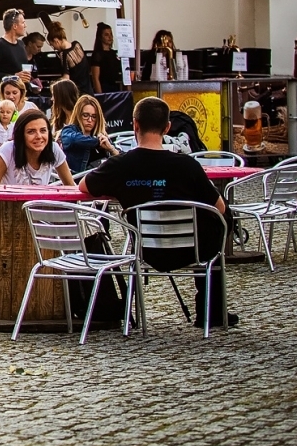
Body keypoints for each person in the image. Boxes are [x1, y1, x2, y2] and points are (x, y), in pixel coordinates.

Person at [83, 96, 234, 327]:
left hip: (146, 249)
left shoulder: (120, 165)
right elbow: (220, 207)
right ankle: (211, 309)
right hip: (192, 249)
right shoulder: (187, 165)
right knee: (221, 220)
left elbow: (83, 186)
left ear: (135, 125)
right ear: (167, 127)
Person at [0, 108, 74, 186]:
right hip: (8, 202)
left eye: (43, 130)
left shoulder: (53, 148)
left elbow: (71, 186)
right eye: (31, 132)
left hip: (41, 202)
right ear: (21, 135)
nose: (39, 136)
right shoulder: (8, 149)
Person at [58, 95, 118, 173]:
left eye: (94, 116)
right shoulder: (68, 130)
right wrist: (98, 142)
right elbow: (74, 140)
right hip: (79, 179)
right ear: (78, 115)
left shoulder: (100, 134)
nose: (90, 120)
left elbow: (122, 159)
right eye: (85, 115)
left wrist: (111, 149)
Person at [0, 8, 32, 83]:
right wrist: (13, 77)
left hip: (21, 91)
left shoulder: (21, 44)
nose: (25, 26)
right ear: (15, 26)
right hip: (5, 92)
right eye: (23, 23)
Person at [47, 20, 95, 94]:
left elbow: (66, 78)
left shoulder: (64, 54)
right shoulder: (77, 44)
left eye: (52, 44)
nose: (54, 48)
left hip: (78, 93)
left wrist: (54, 84)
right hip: (89, 90)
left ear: (56, 41)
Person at [88, 22, 123, 93]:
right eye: (106, 35)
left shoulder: (114, 53)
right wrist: (100, 95)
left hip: (115, 87)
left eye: (111, 34)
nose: (110, 37)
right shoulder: (97, 55)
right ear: (100, 37)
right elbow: (95, 78)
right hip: (103, 88)